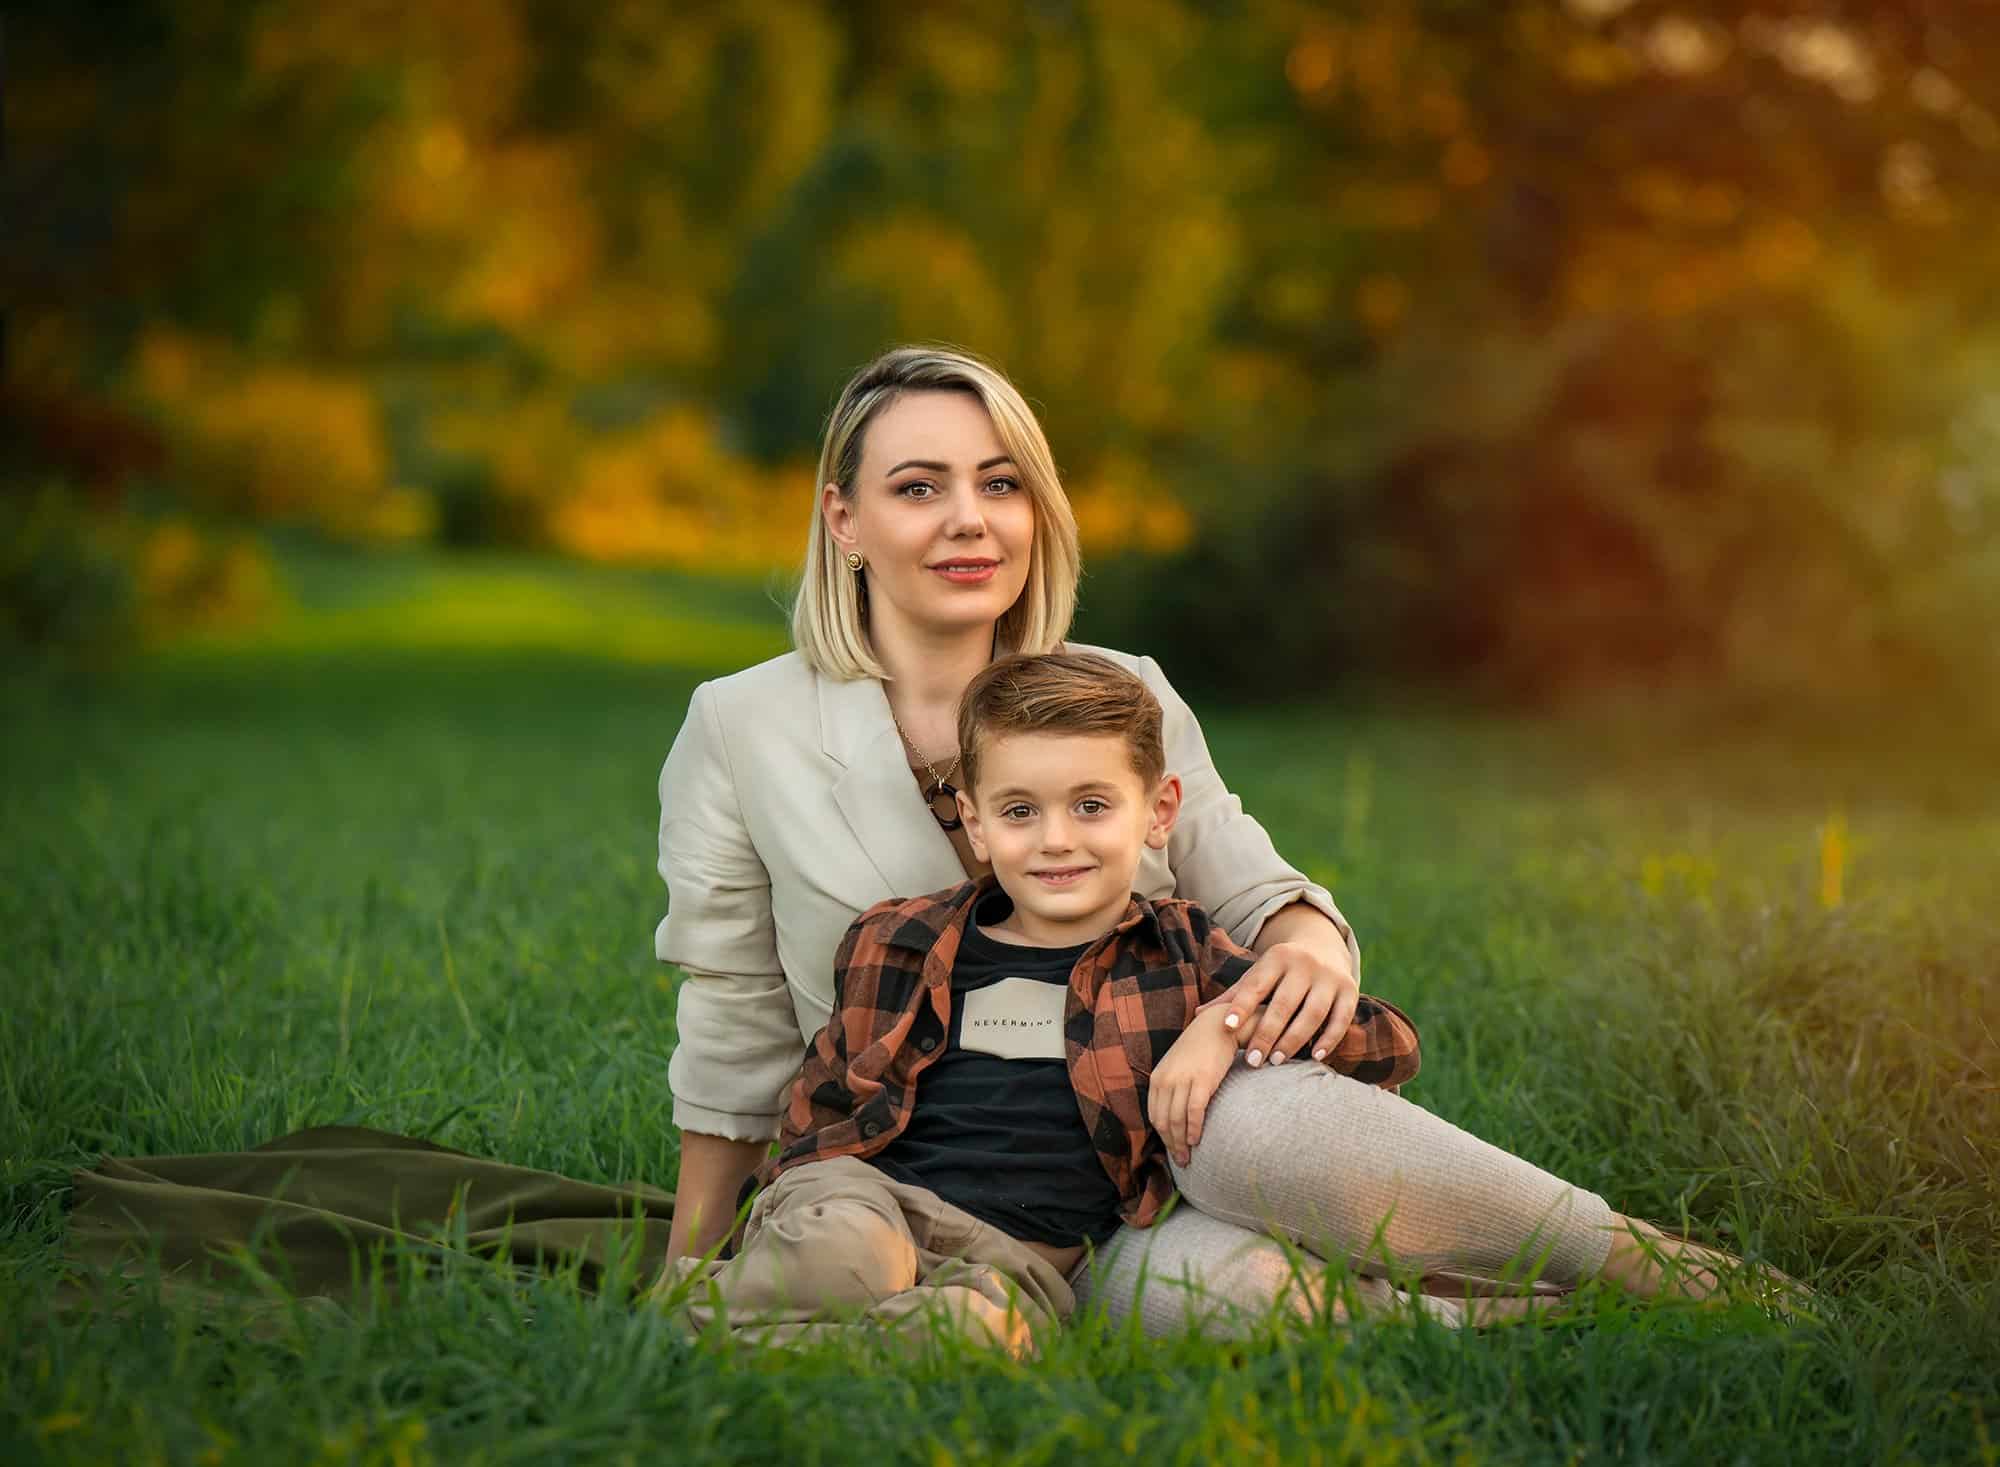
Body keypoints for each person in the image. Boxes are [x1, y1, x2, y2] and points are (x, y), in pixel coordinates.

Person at [657, 343, 1752, 1334]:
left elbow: (1262, 897)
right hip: (914, 1186)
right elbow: (735, 1020)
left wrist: (1271, 982)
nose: (968, 520)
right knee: (1252, 1298)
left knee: (1258, 1120)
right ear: (843, 519)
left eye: (999, 483)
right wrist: (690, 1257)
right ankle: (1505, 1320)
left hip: (1148, 1153)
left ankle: (1637, 1264)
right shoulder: (742, 725)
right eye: (917, 488)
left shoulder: (1121, 692)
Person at [656, 651, 1423, 1351]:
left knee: (978, 1338)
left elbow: (1383, 1043)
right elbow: (825, 1096)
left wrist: (1218, 1025)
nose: (1056, 839)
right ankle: (711, 1301)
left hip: (1016, 1260)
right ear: (977, 822)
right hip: (871, 1199)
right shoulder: (899, 940)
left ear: (1159, 812)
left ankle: (725, 1340)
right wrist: (784, 1196)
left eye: (1090, 805)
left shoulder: (1179, 956)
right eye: (1020, 811)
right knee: (854, 1258)